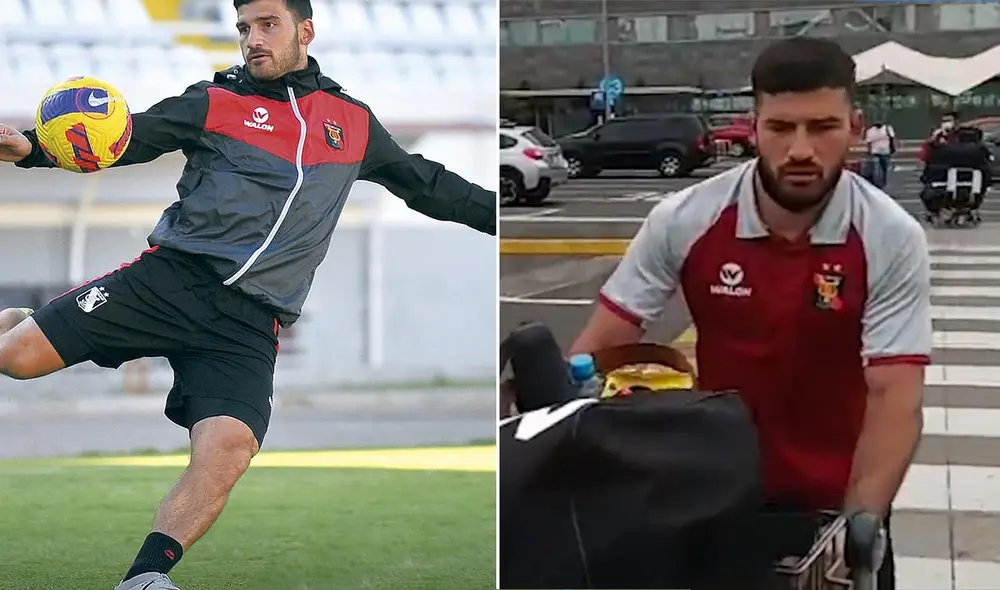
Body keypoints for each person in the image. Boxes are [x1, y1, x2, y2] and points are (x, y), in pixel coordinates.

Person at [0, 1, 495, 589]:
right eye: (243, 29)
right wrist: (33, 148)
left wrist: (506, 217)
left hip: (250, 322)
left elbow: (430, 187)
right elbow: (131, 137)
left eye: (267, 26)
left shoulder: (353, 123)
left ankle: (144, 579)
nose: (252, 40)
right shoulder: (214, 101)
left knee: (229, 449)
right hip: (170, 283)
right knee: (16, 358)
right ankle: (24, 322)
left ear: (304, 31)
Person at [570, 37, 931, 590]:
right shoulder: (684, 220)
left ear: (856, 128)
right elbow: (598, 351)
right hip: (711, 493)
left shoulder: (890, 236)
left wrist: (860, 522)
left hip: (833, 504)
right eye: (782, 128)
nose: (802, 149)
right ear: (754, 127)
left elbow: (894, 396)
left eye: (823, 127)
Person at [862, 119, 895, 189]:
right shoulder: (870, 130)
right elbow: (868, 142)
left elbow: (892, 139)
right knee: (876, 168)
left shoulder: (887, 128)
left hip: (885, 151)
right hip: (875, 152)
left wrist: (892, 148)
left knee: (885, 168)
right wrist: (869, 150)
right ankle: (877, 183)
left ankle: (884, 183)